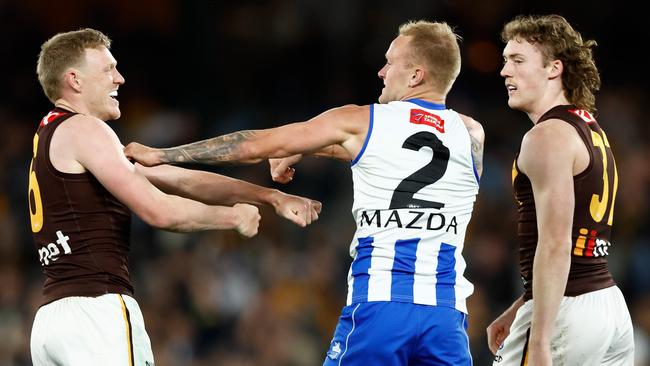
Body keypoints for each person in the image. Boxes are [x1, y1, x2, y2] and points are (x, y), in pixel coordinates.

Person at [126, 20, 484, 365]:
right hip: (447, 315)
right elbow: (400, 153)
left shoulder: (361, 120)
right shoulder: (471, 135)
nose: (381, 72)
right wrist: (304, 148)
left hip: (380, 303)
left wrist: (164, 154)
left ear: (415, 75)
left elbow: (254, 145)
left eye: (389, 63)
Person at [28, 28, 321, 366]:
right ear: (75, 80)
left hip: (52, 323)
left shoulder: (53, 135)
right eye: (108, 69)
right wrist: (232, 217)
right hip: (97, 313)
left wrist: (269, 197)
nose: (119, 78)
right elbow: (159, 211)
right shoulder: (86, 130)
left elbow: (179, 180)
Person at [486, 14, 634, 365]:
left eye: (518, 60)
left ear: (554, 68)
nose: (505, 71)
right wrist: (522, 303)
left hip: (568, 312)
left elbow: (556, 243)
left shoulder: (547, 135)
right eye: (505, 61)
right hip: (608, 306)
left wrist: (539, 340)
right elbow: (578, 239)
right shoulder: (588, 127)